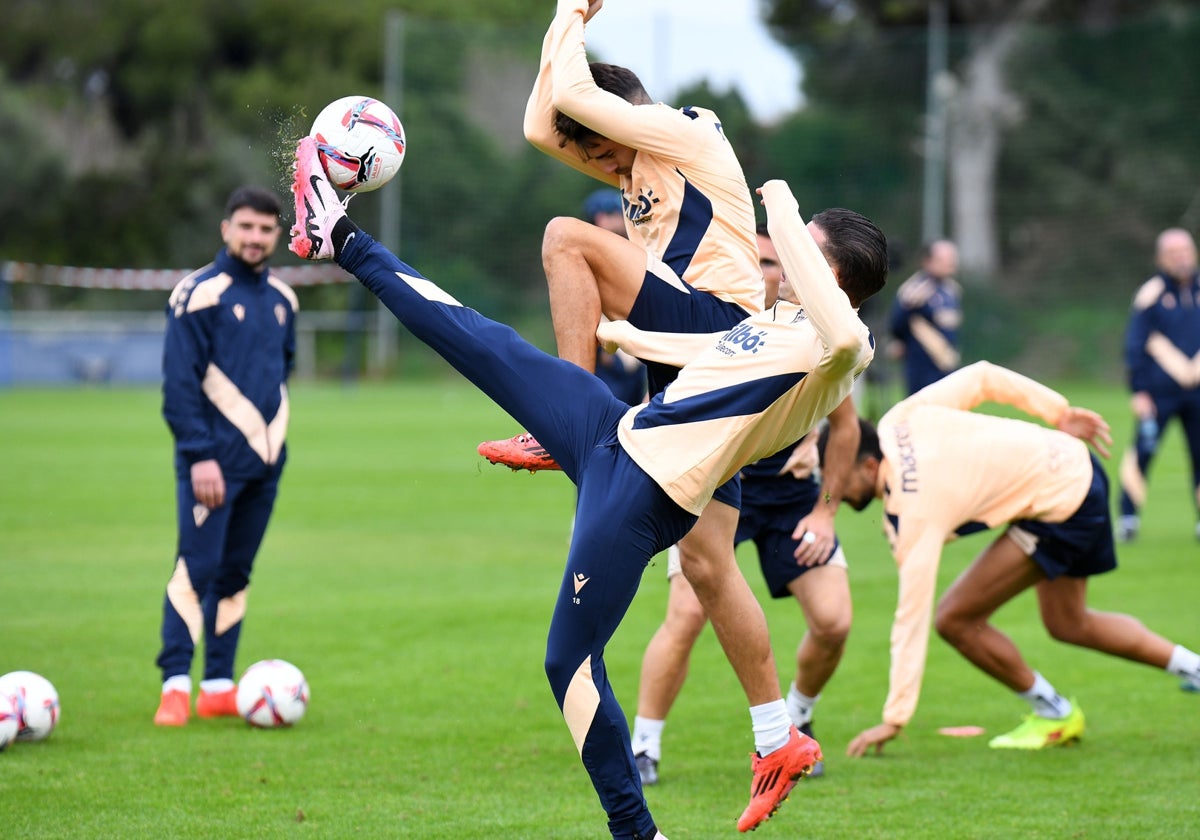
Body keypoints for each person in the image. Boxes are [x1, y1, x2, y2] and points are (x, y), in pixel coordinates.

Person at [289, 135, 888, 837]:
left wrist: (784, 200)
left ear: (833, 276)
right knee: (480, 340)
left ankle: (642, 829)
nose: (777, 251)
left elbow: (836, 333)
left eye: (799, 249)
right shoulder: (781, 323)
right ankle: (340, 236)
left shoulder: (843, 347)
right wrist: (623, 335)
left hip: (644, 491)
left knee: (566, 662)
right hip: (613, 430)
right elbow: (706, 355)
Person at [474, 2, 802, 823]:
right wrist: (563, 24)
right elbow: (537, 128)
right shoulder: (636, 167)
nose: (605, 170)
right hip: (688, 378)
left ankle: (561, 413)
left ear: (626, 119)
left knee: (565, 238)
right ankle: (777, 737)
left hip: (720, 333)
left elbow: (576, 102)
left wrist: (570, 17)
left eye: (604, 151)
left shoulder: (682, 132)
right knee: (707, 563)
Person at [821, 361, 1200, 757]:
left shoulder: (912, 513)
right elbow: (982, 376)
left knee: (956, 619)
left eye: (836, 478)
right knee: (1069, 622)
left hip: (1063, 501)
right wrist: (1059, 412)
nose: (833, 491)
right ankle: (1193, 667)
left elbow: (910, 619)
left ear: (867, 465)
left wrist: (894, 717)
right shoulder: (897, 420)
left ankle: (1054, 712)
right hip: (1075, 465)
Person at [629, 225, 860, 785]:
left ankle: (795, 724)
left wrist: (826, 510)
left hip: (788, 498)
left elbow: (847, 429)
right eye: (756, 261)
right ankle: (644, 748)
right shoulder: (727, 324)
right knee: (685, 615)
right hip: (715, 490)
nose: (766, 273)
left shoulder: (815, 331)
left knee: (834, 621)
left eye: (775, 263)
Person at [154, 186, 297, 726]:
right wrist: (199, 456)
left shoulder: (285, 300)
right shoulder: (196, 294)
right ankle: (174, 685)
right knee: (197, 570)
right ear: (226, 229)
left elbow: (282, 375)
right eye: (246, 227)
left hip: (265, 465)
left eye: (265, 229)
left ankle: (217, 683)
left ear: (276, 235)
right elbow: (179, 387)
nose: (255, 238)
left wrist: (271, 446)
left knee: (236, 573)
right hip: (210, 465)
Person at [1116, 227, 1200, 543]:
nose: (1181, 258)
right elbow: (1135, 345)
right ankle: (1127, 518)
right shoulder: (1150, 295)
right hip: (1159, 393)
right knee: (1143, 453)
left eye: (1186, 251)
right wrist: (1139, 390)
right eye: (1173, 253)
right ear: (1161, 258)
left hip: (1198, 392)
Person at [583, 187, 647, 406]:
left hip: (635, 353)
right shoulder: (586, 255)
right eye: (613, 214)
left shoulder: (634, 250)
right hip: (609, 352)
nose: (619, 219)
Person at [887, 238, 961, 395]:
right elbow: (896, 324)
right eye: (943, 259)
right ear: (927, 261)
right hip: (922, 364)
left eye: (952, 258)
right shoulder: (916, 289)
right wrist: (900, 342)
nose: (950, 263)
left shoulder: (951, 289)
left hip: (946, 360)